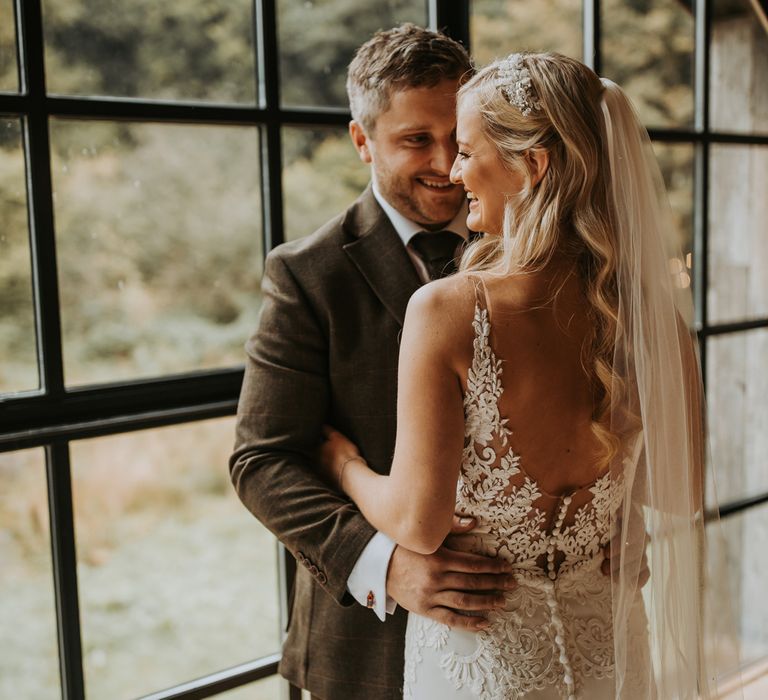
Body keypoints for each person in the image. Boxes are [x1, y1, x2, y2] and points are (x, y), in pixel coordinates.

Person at [318, 52, 733, 698]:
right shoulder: (651, 317)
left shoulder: (449, 311)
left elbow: (418, 524)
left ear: (532, 166)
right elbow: (679, 493)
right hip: (611, 656)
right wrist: (609, 508)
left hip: (485, 665)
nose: (454, 173)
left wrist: (342, 464)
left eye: (465, 151)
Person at [230, 25, 514, 700]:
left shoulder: (524, 252)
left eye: (459, 138)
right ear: (363, 142)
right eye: (416, 139)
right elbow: (261, 461)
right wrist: (386, 565)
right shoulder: (308, 275)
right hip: (365, 648)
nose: (446, 163)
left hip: (516, 629)